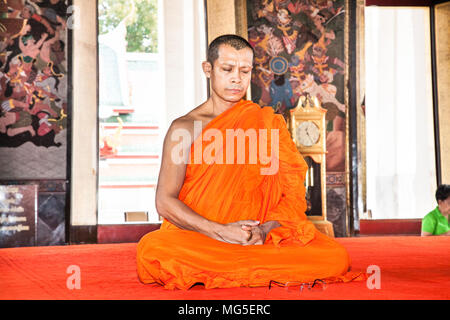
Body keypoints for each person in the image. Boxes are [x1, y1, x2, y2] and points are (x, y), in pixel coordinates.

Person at [136, 34, 365, 290]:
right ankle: (246, 266)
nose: (237, 78)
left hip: (256, 240)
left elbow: (291, 197)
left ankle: (237, 265)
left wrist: (264, 230)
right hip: (199, 238)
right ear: (208, 69)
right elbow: (164, 201)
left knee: (334, 257)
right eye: (227, 69)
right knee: (153, 249)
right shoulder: (185, 128)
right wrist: (220, 231)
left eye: (245, 71)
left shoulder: (266, 123)